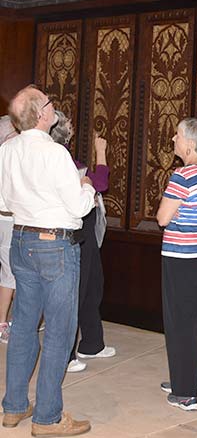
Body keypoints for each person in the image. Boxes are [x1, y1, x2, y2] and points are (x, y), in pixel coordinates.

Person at [0, 86, 93, 438]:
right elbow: (79, 207)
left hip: (21, 241)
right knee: (59, 330)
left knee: (24, 324)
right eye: (50, 102)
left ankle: (14, 407)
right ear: (41, 114)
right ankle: (48, 416)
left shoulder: (7, 150)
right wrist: (86, 186)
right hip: (54, 246)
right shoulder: (55, 153)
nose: (55, 106)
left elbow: (3, 201)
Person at [156, 118, 197, 412]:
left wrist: (174, 213)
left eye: (177, 135)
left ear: (190, 145)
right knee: (196, 320)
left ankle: (184, 393)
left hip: (182, 258)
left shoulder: (182, 177)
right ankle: (189, 377)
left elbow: (162, 218)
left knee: (179, 321)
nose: (173, 139)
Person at [50, 110, 115, 373]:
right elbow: (99, 183)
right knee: (76, 289)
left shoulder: (65, 154)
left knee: (92, 285)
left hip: (85, 227)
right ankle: (65, 355)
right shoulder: (58, 156)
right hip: (72, 228)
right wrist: (101, 153)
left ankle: (92, 342)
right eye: (68, 123)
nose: (72, 125)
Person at [0, 116, 18, 344]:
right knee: (11, 273)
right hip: (8, 220)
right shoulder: (8, 155)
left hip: (11, 219)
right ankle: (3, 323)